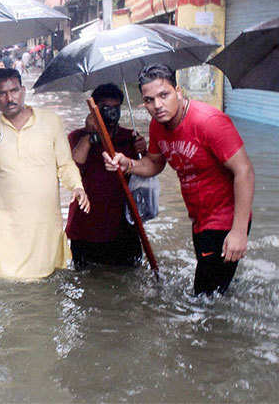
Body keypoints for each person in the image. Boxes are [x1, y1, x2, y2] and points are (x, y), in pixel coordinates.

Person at [104, 64, 255, 296]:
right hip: (199, 219)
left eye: (164, 95)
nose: (157, 105)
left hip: (225, 220)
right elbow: (155, 163)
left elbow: (244, 171)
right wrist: (129, 164)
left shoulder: (210, 121)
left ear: (179, 91)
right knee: (215, 292)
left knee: (203, 298)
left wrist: (238, 231)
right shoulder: (158, 125)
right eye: (149, 100)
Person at [0, 68, 90, 279]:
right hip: (8, 229)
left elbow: (65, 164)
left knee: (46, 287)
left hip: (44, 225)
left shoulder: (51, 121)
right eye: (2, 93)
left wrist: (77, 187)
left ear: (23, 90)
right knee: (8, 290)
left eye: (14, 91)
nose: (9, 98)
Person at [67, 83, 147, 269]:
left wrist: (142, 150)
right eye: (105, 108)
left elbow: (146, 171)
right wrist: (90, 135)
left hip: (123, 228)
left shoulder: (130, 138)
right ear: (94, 109)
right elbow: (73, 169)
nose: (112, 113)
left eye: (116, 108)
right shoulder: (77, 136)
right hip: (86, 228)